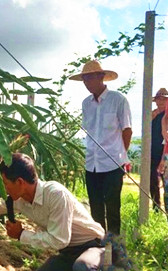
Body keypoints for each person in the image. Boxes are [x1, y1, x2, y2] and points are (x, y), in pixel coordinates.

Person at [0, 153, 105, 271]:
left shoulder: (56, 194)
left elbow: (59, 240)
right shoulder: (19, 199)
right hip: (69, 253)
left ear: (20, 182)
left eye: (5, 183)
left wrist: (21, 234)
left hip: (97, 248)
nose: (3, 189)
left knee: (83, 267)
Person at [69, 60, 132, 235]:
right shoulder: (86, 103)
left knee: (112, 208)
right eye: (84, 79)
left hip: (113, 164)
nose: (86, 83)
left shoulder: (118, 100)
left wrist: (120, 155)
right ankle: (99, 244)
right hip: (92, 164)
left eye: (89, 78)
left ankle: (113, 248)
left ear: (101, 77)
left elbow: (127, 130)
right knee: (95, 207)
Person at [150, 88, 168, 211]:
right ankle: (156, 208)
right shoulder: (152, 115)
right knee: (152, 181)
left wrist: (164, 156)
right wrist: (150, 118)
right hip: (152, 151)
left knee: (165, 181)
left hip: (165, 152)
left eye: (164, 99)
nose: (160, 101)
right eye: (158, 99)